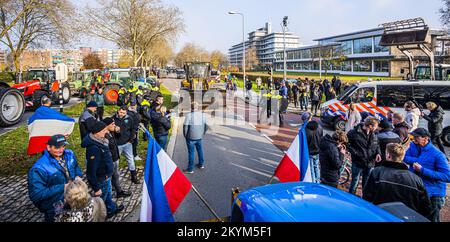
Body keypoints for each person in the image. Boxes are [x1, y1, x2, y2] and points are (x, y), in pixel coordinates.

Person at [363, 143, 432, 219]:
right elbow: (426, 207)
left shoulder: (377, 172)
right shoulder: (416, 179)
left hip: (380, 216)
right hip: (405, 218)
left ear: (388, 155)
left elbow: (366, 197)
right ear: (402, 157)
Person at [28, 134, 83, 222]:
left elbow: (76, 166)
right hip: (55, 205)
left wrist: (78, 175)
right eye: (57, 147)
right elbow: (36, 195)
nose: (61, 150)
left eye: (63, 146)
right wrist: (63, 187)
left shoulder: (69, 153)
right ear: (48, 147)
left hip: (72, 198)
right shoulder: (39, 168)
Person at [404, 128, 450, 222]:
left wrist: (422, 170)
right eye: (413, 136)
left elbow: (447, 176)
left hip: (434, 194)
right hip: (418, 190)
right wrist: (417, 160)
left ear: (426, 138)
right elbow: (404, 157)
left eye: (416, 137)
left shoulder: (438, 155)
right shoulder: (413, 145)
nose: (413, 138)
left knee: (432, 220)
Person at [81, 121, 124, 219]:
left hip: (106, 176)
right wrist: (96, 188)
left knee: (108, 195)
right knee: (101, 200)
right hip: (101, 179)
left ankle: (111, 209)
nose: (106, 132)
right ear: (97, 132)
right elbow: (90, 171)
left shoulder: (101, 140)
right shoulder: (94, 148)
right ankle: (97, 217)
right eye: (104, 130)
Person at [347, 117, 382, 195]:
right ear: (370, 126)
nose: (377, 128)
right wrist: (355, 153)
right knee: (354, 182)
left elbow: (377, 144)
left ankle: (364, 199)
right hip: (357, 162)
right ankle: (351, 198)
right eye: (375, 126)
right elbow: (346, 144)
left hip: (370, 163)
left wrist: (378, 153)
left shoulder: (375, 133)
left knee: (366, 184)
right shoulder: (353, 132)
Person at [103, 117, 132, 198]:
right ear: (106, 125)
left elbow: (118, 138)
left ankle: (119, 191)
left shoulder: (111, 132)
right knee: (110, 177)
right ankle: (109, 195)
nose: (114, 125)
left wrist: (118, 131)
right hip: (110, 160)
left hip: (115, 158)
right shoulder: (104, 136)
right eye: (112, 124)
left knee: (116, 175)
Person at [113, 106, 138, 184]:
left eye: (123, 113)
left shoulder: (129, 118)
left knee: (130, 159)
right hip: (117, 144)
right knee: (116, 162)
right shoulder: (113, 119)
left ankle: (134, 176)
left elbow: (133, 129)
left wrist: (131, 139)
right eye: (120, 112)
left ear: (126, 112)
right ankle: (114, 179)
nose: (121, 114)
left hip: (127, 143)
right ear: (118, 111)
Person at [183, 102, 209, 174]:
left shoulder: (188, 115)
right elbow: (206, 126)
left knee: (191, 152)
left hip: (190, 137)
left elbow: (185, 127)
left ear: (191, 108)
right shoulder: (203, 115)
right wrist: (203, 133)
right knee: (200, 150)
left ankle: (190, 169)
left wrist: (185, 135)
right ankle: (201, 164)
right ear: (198, 107)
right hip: (199, 136)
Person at [303, 112, 323, 183]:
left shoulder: (305, 130)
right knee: (316, 167)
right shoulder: (319, 127)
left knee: (311, 169)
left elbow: (305, 143)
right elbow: (321, 138)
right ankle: (318, 181)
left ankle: (314, 183)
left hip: (310, 152)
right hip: (318, 151)